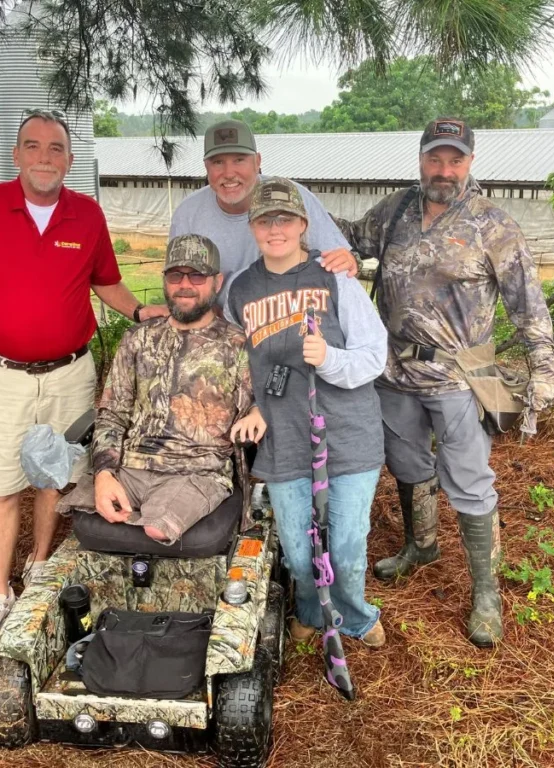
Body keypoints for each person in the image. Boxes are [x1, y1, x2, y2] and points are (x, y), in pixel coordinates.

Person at [0, 109, 167, 650]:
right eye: (33, 146)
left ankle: (38, 566)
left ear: (70, 159)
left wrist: (141, 313)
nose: (45, 158)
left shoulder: (87, 215)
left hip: (71, 375)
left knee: (56, 479)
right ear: (16, 155)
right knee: (4, 485)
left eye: (56, 149)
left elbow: (108, 283)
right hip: (4, 377)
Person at [336, 118, 554, 648]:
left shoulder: (492, 225)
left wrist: (543, 371)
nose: (444, 170)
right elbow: (347, 236)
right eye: (435, 158)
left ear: (470, 163)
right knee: (407, 464)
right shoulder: (394, 212)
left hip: (461, 375)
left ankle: (486, 593)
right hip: (393, 372)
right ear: (420, 159)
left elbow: (528, 305)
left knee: (469, 479)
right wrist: (293, 214)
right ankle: (423, 546)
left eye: (454, 160)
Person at [226, 178, 388, 648]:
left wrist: (330, 359)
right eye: (264, 220)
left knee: (346, 547)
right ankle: (312, 611)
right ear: (253, 226)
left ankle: (355, 616)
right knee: (298, 553)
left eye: (285, 219)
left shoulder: (334, 276)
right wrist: (255, 404)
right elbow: (243, 364)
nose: (275, 229)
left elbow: (374, 354)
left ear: (302, 224)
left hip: (348, 433)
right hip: (285, 437)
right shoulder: (242, 290)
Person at [59, 234, 254, 543]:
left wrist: (258, 411)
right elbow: (112, 414)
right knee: (87, 511)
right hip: (131, 466)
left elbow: (261, 407)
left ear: (217, 281)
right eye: (176, 275)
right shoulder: (138, 339)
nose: (185, 284)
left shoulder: (238, 345)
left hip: (197, 471)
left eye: (197, 275)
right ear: (165, 280)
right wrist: (104, 474)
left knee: (156, 527)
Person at [169, 119, 361, 289]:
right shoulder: (188, 213)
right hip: (215, 322)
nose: (228, 173)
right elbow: (175, 282)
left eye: (239, 160)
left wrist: (350, 260)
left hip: (287, 318)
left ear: (257, 161)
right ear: (206, 166)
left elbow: (341, 261)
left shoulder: (293, 197)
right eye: (218, 162)